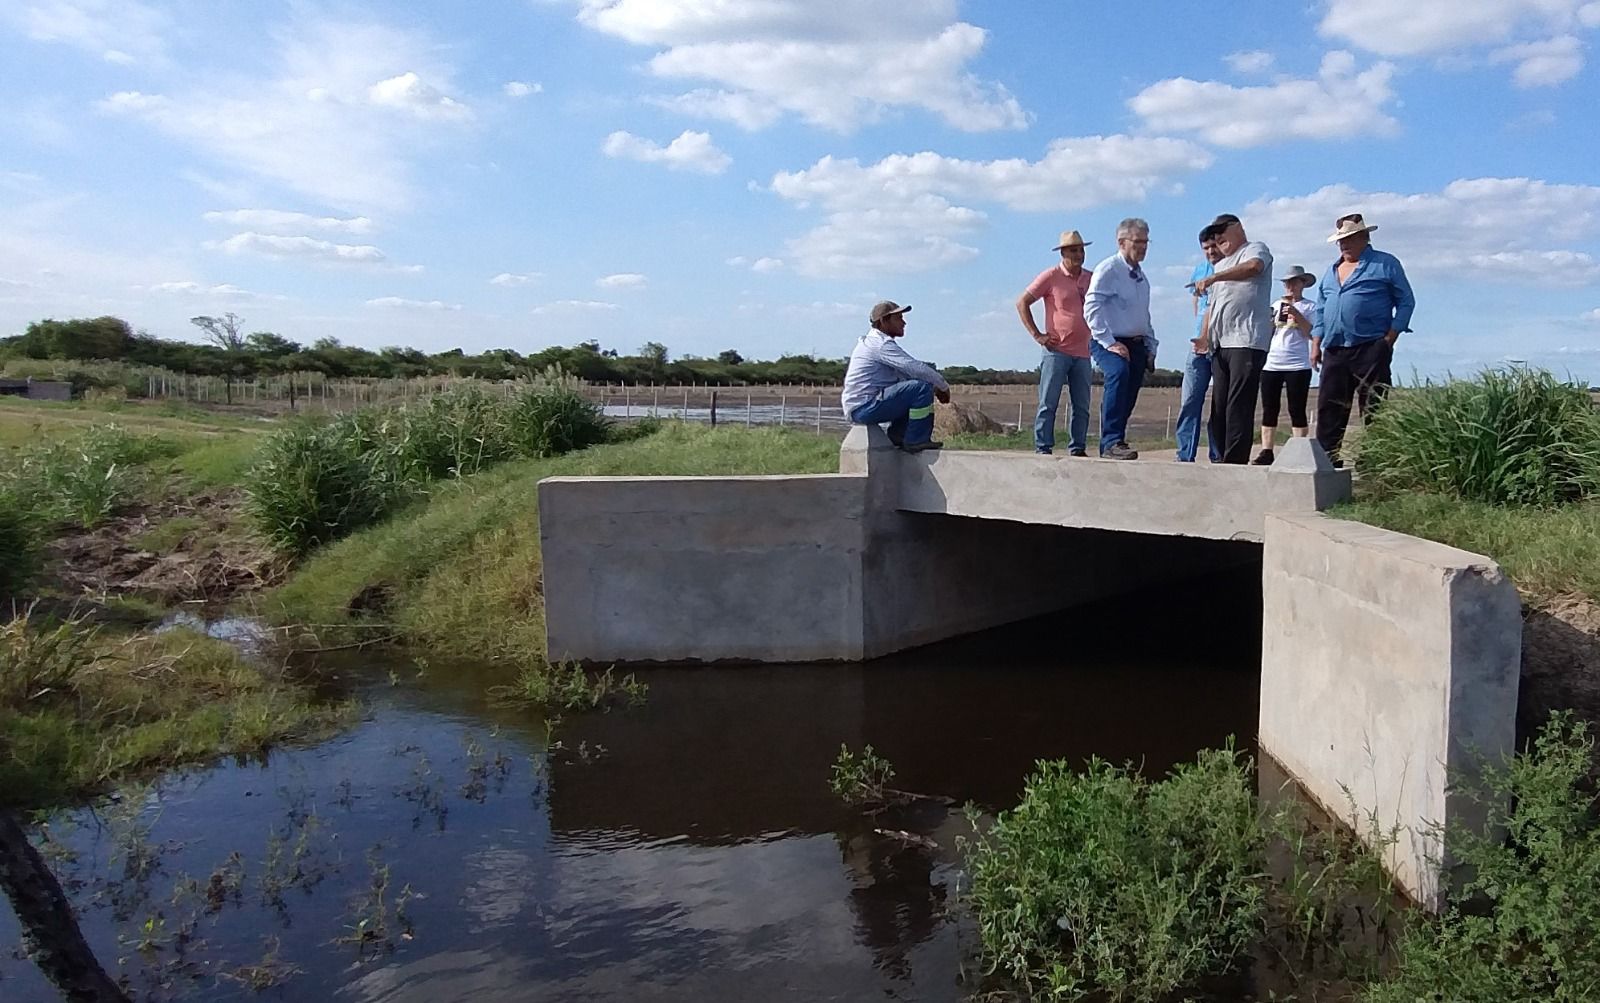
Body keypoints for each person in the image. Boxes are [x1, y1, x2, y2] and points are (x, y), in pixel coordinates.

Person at [1310, 213, 1415, 466]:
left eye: (1349, 239)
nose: (1343, 245)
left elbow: (1406, 301)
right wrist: (1316, 342)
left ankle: (1373, 461)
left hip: (1371, 346)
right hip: (1335, 347)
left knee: (1373, 406)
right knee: (1330, 406)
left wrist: (1390, 336)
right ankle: (1327, 460)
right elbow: (1321, 308)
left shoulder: (1385, 264)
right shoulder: (1331, 270)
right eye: (1340, 241)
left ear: (1364, 238)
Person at [1194, 213, 1273, 464]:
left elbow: (1254, 268)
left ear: (1237, 228)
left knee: (1238, 404)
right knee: (1219, 407)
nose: (1217, 238)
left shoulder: (1255, 249)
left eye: (1221, 231)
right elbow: (1214, 307)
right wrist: (1205, 337)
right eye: (1213, 234)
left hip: (1246, 341)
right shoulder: (1220, 265)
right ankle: (1220, 456)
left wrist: (1215, 277)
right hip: (1221, 344)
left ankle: (1235, 461)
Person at [1084, 218, 1157, 460]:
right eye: (1138, 242)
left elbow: (1143, 314)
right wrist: (1108, 342)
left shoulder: (1141, 277)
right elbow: (1091, 306)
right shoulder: (1109, 270)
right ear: (1122, 242)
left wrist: (1150, 345)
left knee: (1131, 388)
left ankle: (1118, 440)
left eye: (1146, 242)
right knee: (1118, 373)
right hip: (1110, 339)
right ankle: (1111, 441)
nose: (1143, 247)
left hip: (1136, 342)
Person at [1017, 229, 1094, 456]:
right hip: (1056, 350)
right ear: (1062, 253)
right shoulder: (1050, 276)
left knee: (1082, 406)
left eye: (1081, 250)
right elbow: (1022, 302)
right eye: (1073, 250)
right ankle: (1043, 447)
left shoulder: (1091, 278)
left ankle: (1077, 447)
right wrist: (1037, 335)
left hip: (1084, 352)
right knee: (1048, 403)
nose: (1079, 254)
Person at [840, 300, 951, 452]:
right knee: (920, 388)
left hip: (861, 407)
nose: (903, 323)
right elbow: (915, 367)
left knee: (914, 387)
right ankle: (916, 440)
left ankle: (899, 437)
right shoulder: (880, 344)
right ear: (883, 321)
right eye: (898, 318)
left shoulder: (875, 342)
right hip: (864, 408)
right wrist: (942, 386)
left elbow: (909, 372)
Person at [1253, 265, 1318, 465]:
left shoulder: (1310, 307)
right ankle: (1267, 450)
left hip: (1297, 363)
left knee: (1296, 407)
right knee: (1269, 407)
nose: (1290, 286)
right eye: (1287, 282)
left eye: (1294, 281)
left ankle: (1299, 450)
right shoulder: (1276, 304)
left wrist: (1297, 315)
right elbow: (1269, 331)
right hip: (1273, 362)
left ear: (1302, 284)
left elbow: (1312, 333)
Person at [1175, 224, 1224, 462]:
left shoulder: (1230, 269)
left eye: (1214, 245)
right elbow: (1197, 301)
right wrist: (1198, 328)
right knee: (1190, 400)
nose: (1211, 251)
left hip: (1222, 343)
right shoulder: (1200, 270)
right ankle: (1185, 455)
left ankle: (1218, 455)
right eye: (1206, 247)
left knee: (1219, 403)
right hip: (1197, 344)